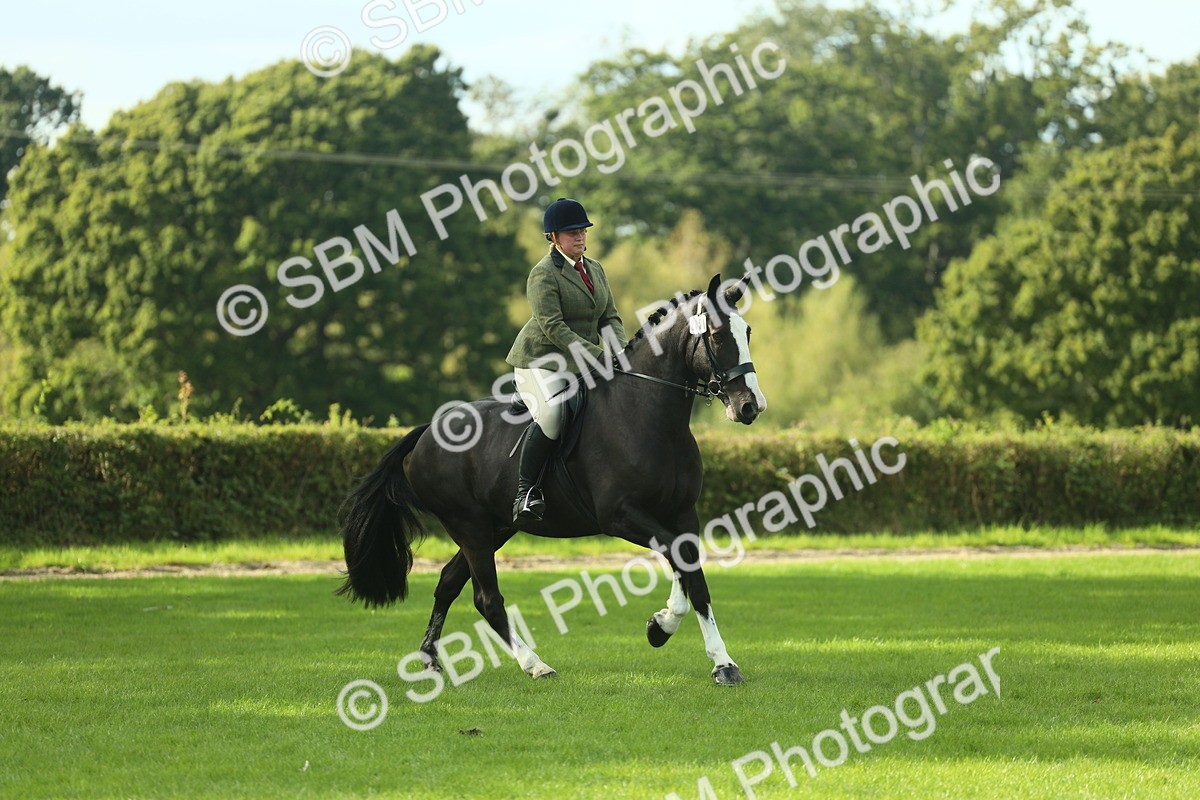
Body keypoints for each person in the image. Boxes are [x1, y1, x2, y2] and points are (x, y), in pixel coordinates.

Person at [505, 198, 628, 523]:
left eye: (583, 231)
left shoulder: (595, 269)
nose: (580, 237)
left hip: (582, 362)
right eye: (572, 232)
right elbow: (554, 327)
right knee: (552, 414)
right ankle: (525, 492)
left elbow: (609, 317)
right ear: (554, 237)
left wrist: (622, 354)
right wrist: (599, 356)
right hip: (540, 361)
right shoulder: (543, 274)